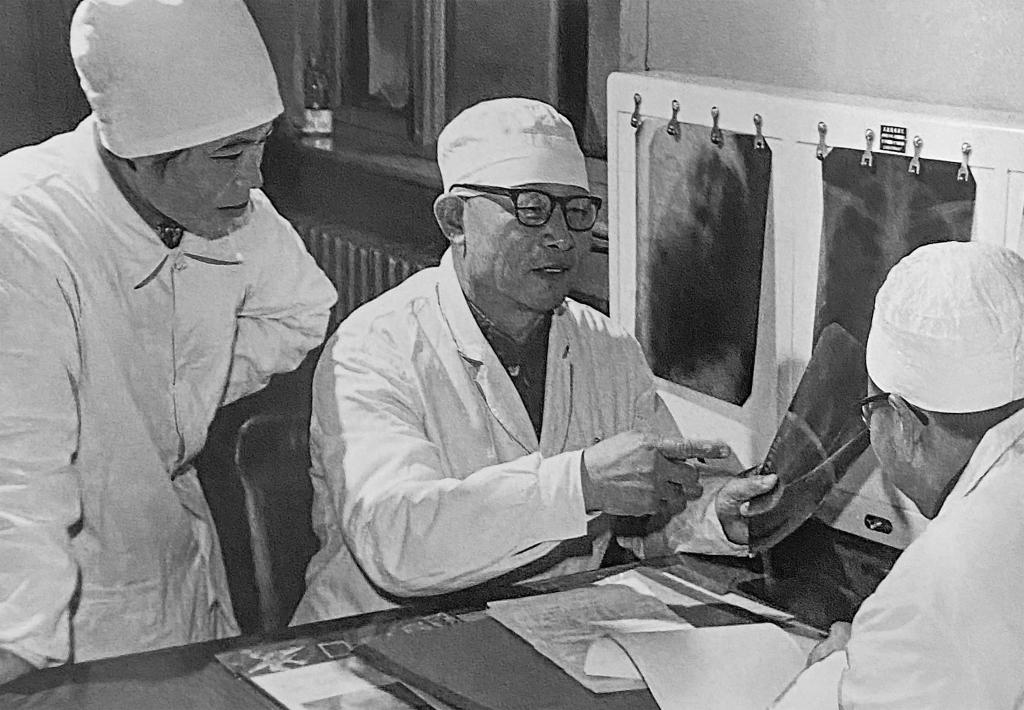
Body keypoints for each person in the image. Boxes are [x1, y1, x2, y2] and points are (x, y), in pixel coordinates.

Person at [292, 98, 778, 623]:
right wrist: (581, 484)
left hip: (543, 628)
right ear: (455, 219)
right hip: (375, 637)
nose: (561, 237)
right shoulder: (372, 347)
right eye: (530, 207)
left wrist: (715, 516)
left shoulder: (607, 348)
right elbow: (398, 543)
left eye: (577, 212)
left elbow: (648, 513)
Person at [0, 0, 337, 684]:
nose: (254, 178)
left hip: (179, 569)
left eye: (261, 143)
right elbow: (17, 471)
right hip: (65, 608)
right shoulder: (23, 232)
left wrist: (173, 397)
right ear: (139, 156)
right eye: (229, 154)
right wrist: (17, 644)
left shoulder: (221, 202)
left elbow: (299, 312)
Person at [773, 241, 1024, 709]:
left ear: (904, 422)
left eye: (870, 410)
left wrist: (843, 671)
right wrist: (878, 657)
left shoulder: (927, 598)